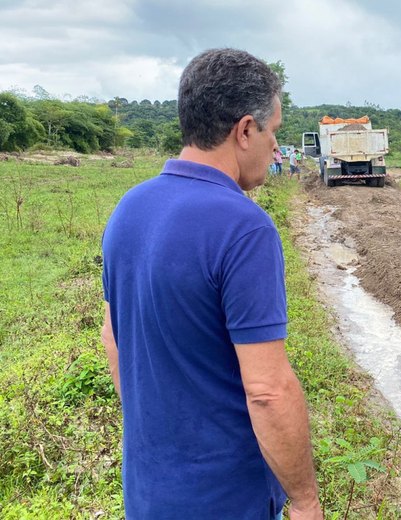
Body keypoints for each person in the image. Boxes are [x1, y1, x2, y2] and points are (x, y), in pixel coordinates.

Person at [100, 48, 323, 520]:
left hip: (147, 490)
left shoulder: (129, 208)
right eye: (274, 132)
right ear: (245, 130)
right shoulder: (244, 228)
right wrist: (305, 503)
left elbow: (113, 335)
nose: (276, 149)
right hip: (225, 499)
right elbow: (267, 390)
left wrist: (157, 429)